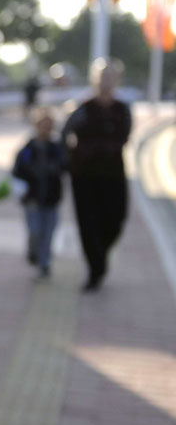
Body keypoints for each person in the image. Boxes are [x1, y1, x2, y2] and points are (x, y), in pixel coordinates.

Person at [62, 58, 131, 292]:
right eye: (102, 77)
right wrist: (71, 158)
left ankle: (99, 257)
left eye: (110, 77)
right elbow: (65, 133)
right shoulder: (82, 108)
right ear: (94, 79)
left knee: (116, 220)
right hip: (85, 176)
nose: (106, 81)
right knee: (88, 224)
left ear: (116, 80)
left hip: (113, 174)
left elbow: (125, 137)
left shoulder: (122, 109)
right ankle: (95, 269)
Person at [12, 107, 66, 278]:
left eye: (49, 126)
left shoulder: (56, 149)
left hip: (51, 199)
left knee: (48, 233)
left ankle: (44, 262)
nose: (46, 129)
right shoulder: (28, 149)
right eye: (43, 125)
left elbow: (65, 166)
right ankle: (34, 252)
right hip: (32, 199)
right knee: (35, 231)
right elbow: (18, 170)